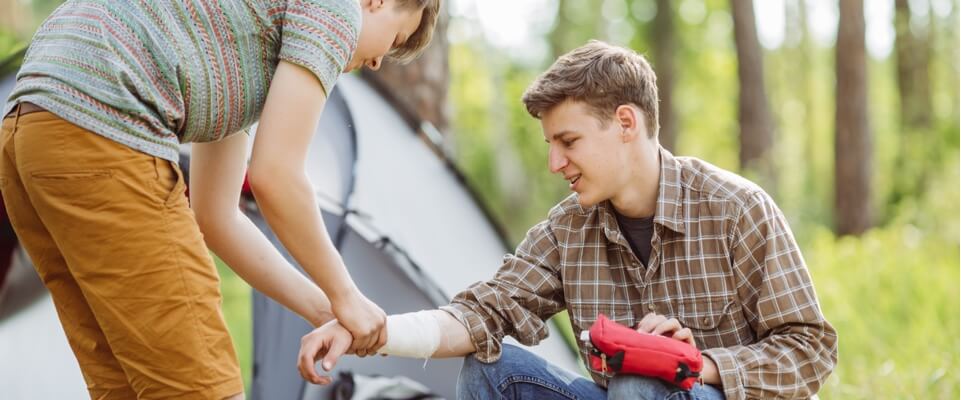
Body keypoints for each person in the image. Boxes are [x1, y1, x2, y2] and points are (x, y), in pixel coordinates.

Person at [297, 40, 838, 400]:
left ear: (626, 123)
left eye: (569, 141)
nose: (556, 163)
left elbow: (811, 351)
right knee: (493, 370)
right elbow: (481, 313)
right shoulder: (567, 229)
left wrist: (696, 363)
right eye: (550, 145)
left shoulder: (736, 207)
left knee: (638, 383)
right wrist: (374, 331)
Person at [0, 0, 439, 398]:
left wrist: (327, 310)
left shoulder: (238, 42)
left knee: (128, 389)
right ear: (376, 2)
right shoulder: (337, 9)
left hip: (31, 133)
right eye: (395, 39)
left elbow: (216, 217)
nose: (380, 62)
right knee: (203, 389)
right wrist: (348, 295)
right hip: (103, 122)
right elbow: (276, 176)